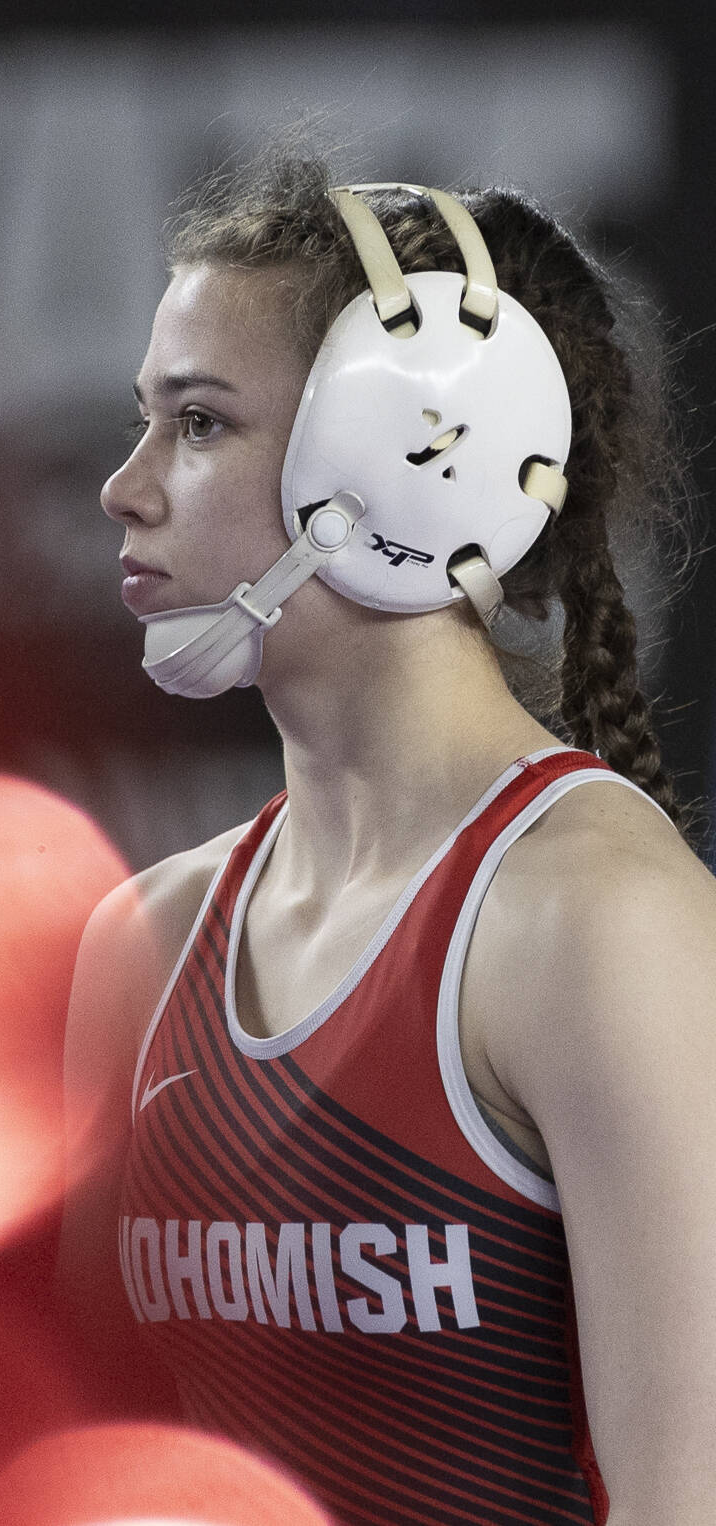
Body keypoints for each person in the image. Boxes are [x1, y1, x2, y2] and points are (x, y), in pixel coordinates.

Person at [58, 156, 716, 1526]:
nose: (125, 488)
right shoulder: (148, 945)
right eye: (147, 419)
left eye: (197, 422)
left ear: (421, 457)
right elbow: (72, 1472)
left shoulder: (594, 921)